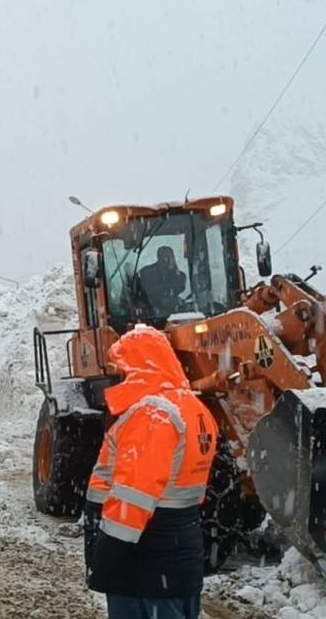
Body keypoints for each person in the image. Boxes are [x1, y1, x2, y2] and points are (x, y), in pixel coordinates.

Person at [84, 325, 219, 619]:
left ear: (141, 368)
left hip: (144, 564)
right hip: (176, 558)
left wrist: (106, 558)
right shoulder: (193, 409)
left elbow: (133, 499)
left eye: (125, 369)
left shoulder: (153, 415)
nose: (121, 376)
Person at [137, 246, 187, 316]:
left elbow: (180, 288)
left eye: (171, 257)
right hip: (150, 315)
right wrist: (161, 300)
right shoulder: (146, 273)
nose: (168, 260)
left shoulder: (180, 276)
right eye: (165, 257)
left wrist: (174, 270)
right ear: (158, 259)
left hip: (174, 316)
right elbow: (144, 294)